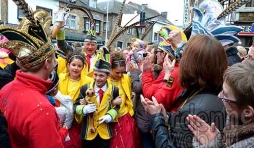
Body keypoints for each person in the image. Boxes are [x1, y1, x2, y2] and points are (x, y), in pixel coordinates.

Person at [141, 35, 228, 148]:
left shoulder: (194, 108)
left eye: (158, 51)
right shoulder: (216, 91)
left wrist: (156, 117)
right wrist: (166, 117)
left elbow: (157, 96)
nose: (156, 54)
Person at [0, 9, 65, 148]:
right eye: (54, 60)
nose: (55, 64)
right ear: (47, 63)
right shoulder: (42, 110)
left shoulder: (6, 88)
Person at [188, 60, 254, 148]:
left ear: (247, 112)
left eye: (225, 95)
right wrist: (217, 144)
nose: (219, 96)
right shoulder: (237, 119)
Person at [74, 59, 121, 148]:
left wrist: (110, 116)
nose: (97, 78)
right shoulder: (85, 88)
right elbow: (75, 106)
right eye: (95, 75)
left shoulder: (114, 90)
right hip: (88, 133)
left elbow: (117, 107)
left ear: (108, 76)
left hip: (104, 133)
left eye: (101, 76)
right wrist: (83, 109)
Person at [58, 51, 93, 148]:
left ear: (83, 67)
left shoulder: (88, 81)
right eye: (73, 65)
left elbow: (92, 97)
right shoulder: (60, 78)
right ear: (68, 65)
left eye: (79, 66)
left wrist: (86, 102)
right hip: (61, 118)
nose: (76, 68)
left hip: (78, 119)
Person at [109, 51, 141, 148]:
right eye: (117, 72)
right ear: (110, 69)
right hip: (111, 120)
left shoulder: (126, 78)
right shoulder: (104, 81)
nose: (120, 75)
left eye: (122, 72)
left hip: (125, 119)